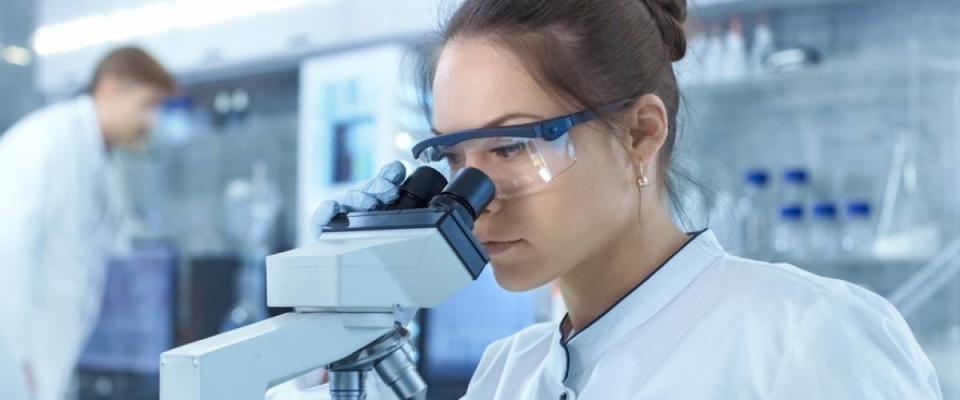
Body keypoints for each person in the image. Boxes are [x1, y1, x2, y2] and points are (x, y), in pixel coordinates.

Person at [291, 0, 942, 398]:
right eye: (454, 158)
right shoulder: (509, 374)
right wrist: (361, 338)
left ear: (640, 133)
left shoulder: (804, 334)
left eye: (513, 147)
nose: (476, 199)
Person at [0, 46, 175, 400]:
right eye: (148, 104)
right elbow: (7, 254)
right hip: (20, 361)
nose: (151, 121)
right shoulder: (44, 142)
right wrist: (17, 364)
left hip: (55, 355)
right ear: (109, 88)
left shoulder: (100, 157)